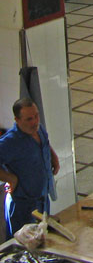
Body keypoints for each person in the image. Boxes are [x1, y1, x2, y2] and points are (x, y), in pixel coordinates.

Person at [0, 99, 59, 238]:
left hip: (42, 200)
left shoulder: (39, 128)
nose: (34, 121)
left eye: (36, 116)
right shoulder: (10, 142)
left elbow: (45, 143)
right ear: (17, 120)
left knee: (43, 239)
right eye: (29, 119)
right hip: (23, 206)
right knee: (24, 247)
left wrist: (54, 158)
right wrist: (10, 179)